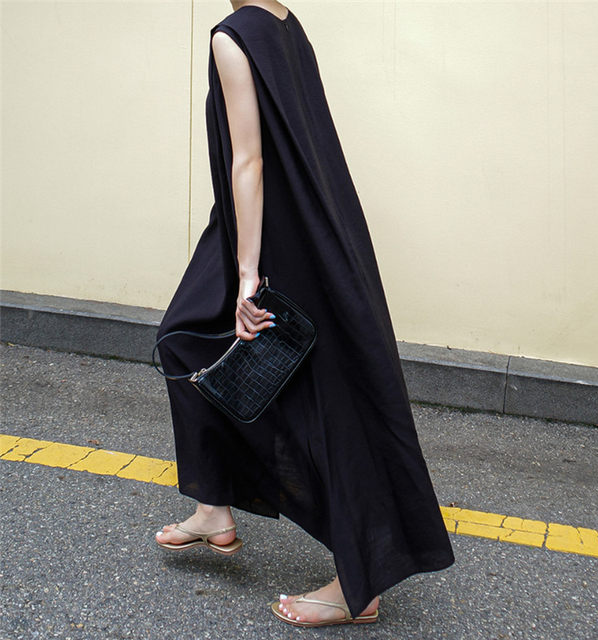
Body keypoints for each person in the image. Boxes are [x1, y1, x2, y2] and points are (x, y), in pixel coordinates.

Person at [154, 0, 454, 628]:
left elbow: (250, 159)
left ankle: (358, 586)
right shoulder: (284, 23)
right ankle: (213, 506)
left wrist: (248, 276)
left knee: (326, 401)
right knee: (185, 339)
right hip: (286, 226)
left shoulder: (234, 36)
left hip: (279, 239)